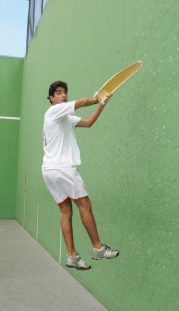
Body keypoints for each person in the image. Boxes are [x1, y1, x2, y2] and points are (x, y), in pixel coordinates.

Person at [42, 81, 119, 270]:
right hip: (63, 168)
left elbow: (88, 123)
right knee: (85, 205)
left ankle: (72, 256)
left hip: (49, 171)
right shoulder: (54, 111)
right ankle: (98, 247)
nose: (63, 95)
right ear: (51, 98)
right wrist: (96, 98)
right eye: (58, 93)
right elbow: (83, 102)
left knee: (66, 211)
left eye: (65, 92)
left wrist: (102, 104)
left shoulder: (65, 117)